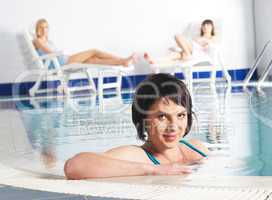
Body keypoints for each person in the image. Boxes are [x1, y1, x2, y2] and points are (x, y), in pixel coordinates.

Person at [64, 73, 209, 179]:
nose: (173, 126)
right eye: (162, 117)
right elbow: (74, 166)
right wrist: (153, 170)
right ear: (143, 119)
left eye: (181, 115)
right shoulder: (138, 156)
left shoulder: (196, 149)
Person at [33, 19, 135, 69]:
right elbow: (49, 52)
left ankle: (121, 62)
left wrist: (63, 53)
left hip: (63, 59)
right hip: (61, 62)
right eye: (41, 27)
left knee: (93, 60)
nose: (44, 29)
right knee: (93, 51)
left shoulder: (49, 41)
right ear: (37, 29)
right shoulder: (38, 41)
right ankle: (123, 60)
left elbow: (53, 51)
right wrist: (62, 53)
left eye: (46, 27)